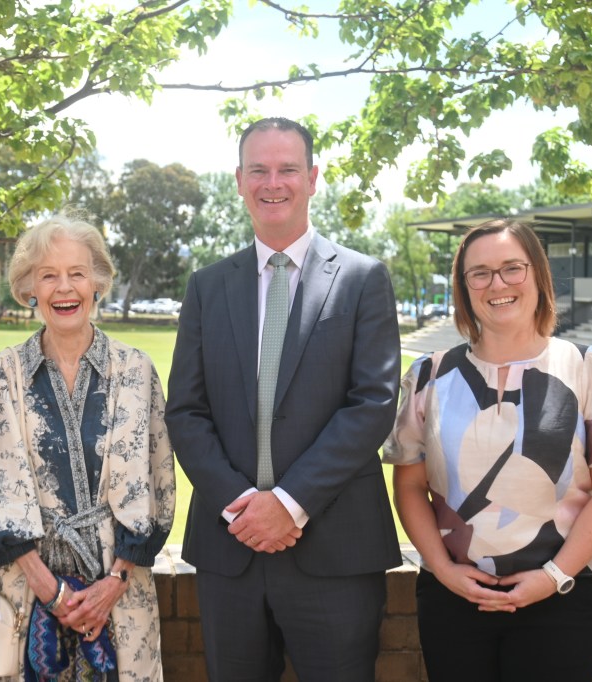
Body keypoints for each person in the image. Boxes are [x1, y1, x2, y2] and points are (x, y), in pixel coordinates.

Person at [165, 117, 403, 681]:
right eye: (259, 170)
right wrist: (242, 505)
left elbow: (372, 404)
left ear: (313, 178)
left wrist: (289, 503)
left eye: (288, 169)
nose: (273, 183)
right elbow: (186, 411)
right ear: (239, 181)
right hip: (231, 547)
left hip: (336, 550)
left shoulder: (363, 279)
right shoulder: (206, 286)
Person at [384, 218, 592, 682]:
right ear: (464, 287)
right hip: (454, 596)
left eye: (512, 268)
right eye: (480, 273)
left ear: (538, 275)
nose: (497, 284)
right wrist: (444, 571)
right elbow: (408, 487)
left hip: (565, 594)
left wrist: (552, 576)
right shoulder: (429, 376)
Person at [0, 213, 175, 681]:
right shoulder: (6, 371)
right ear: (29, 289)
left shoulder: (136, 369)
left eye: (77, 273)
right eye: (49, 275)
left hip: (119, 591)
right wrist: (53, 593)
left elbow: (159, 484)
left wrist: (112, 583)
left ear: (97, 283)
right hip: (25, 589)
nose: (64, 288)